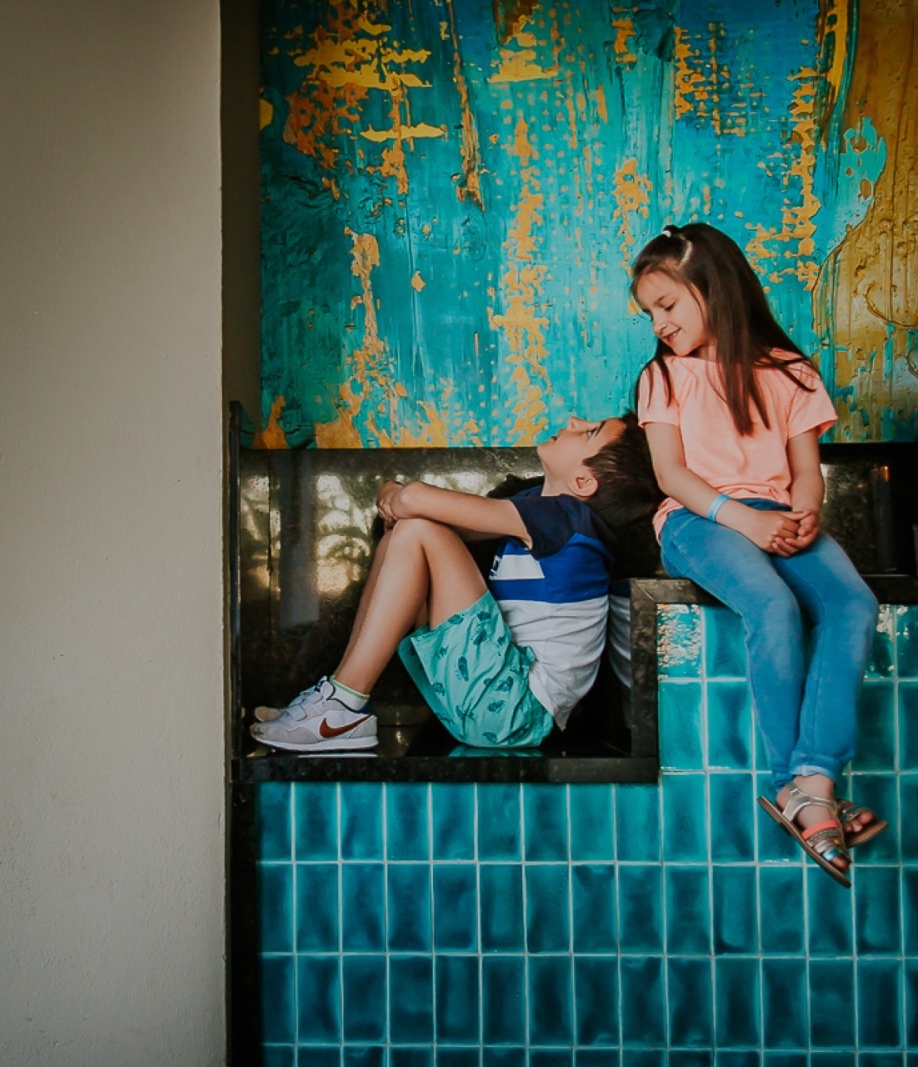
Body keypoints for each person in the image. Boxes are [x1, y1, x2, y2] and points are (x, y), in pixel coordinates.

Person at [631, 221, 884, 887]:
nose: (657, 323)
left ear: (713, 289)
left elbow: (807, 470)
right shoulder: (662, 375)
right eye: (649, 312)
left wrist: (804, 515)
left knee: (852, 602)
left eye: (667, 305)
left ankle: (814, 779)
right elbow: (671, 475)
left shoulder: (789, 371)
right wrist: (744, 520)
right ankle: (792, 784)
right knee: (771, 603)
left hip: (777, 517)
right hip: (698, 519)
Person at [252, 412, 658, 755]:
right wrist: (405, 507)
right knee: (407, 536)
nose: (573, 420)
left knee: (415, 531)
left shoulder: (568, 519)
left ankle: (342, 705)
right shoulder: (540, 508)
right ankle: (335, 702)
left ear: (584, 484)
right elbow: (436, 520)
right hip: (495, 704)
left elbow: (414, 503)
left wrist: (397, 495)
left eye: (588, 432)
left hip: (516, 709)